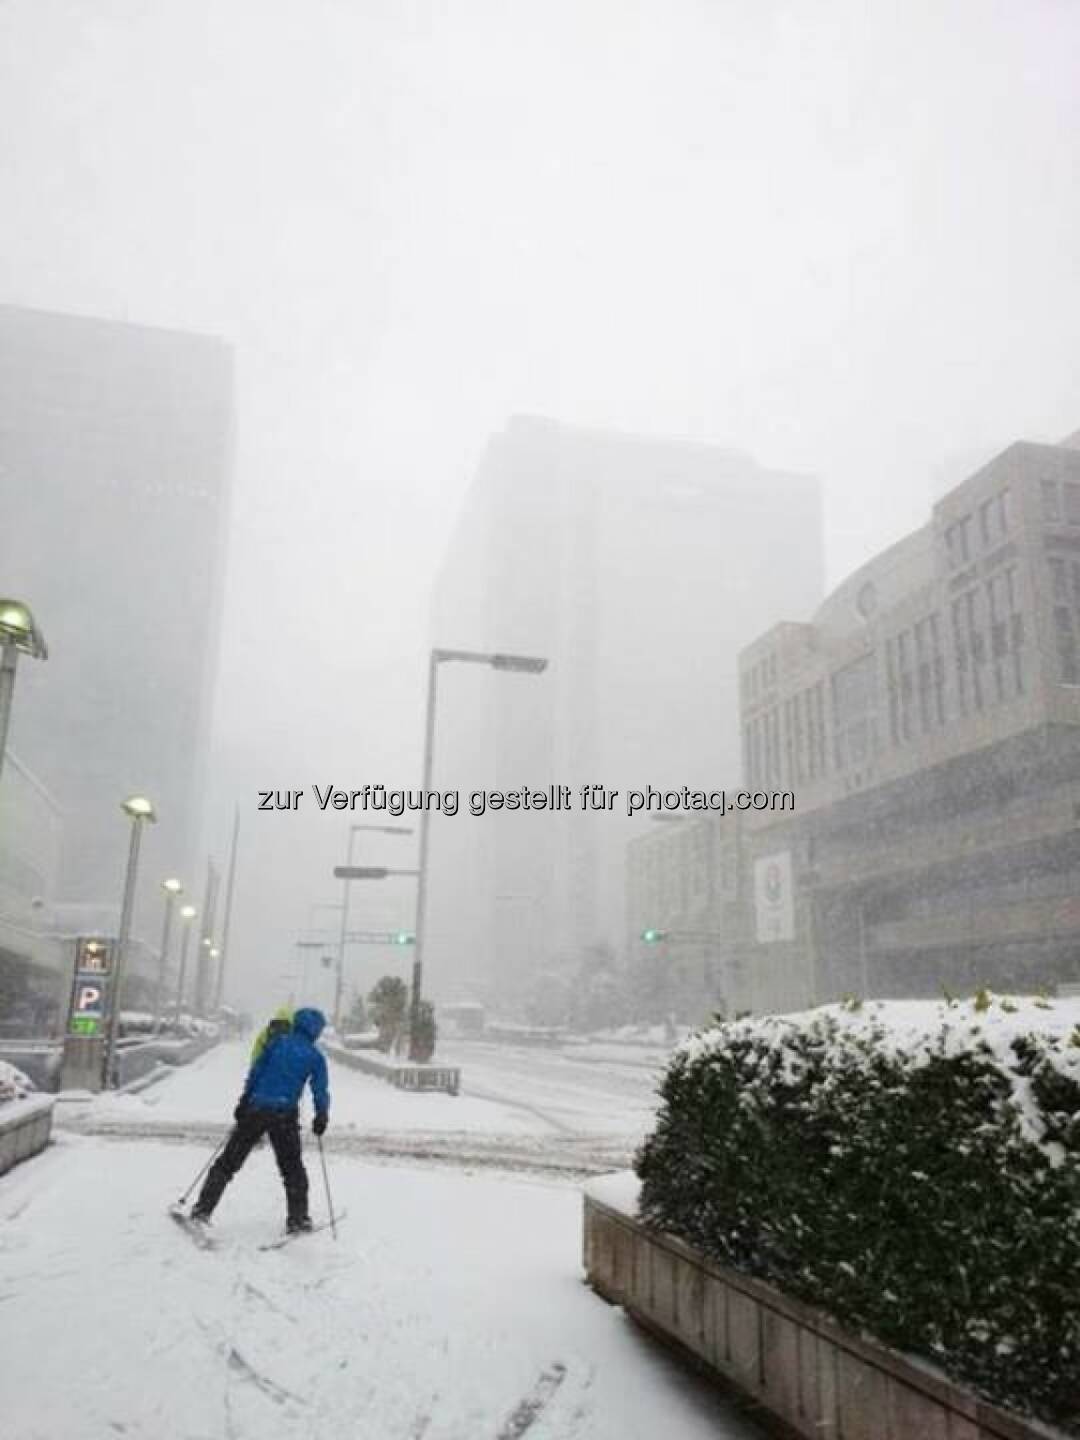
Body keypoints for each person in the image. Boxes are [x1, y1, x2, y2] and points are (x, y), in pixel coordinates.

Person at [191, 1006, 330, 1234]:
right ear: (316, 1030)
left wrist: (244, 1101)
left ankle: (202, 1209)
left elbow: (257, 1072)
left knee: (228, 1162)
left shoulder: (276, 1043)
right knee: (292, 1169)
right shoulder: (314, 1056)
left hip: (256, 1109)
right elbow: (320, 1089)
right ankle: (298, 1220)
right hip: (284, 1115)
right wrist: (321, 1115)